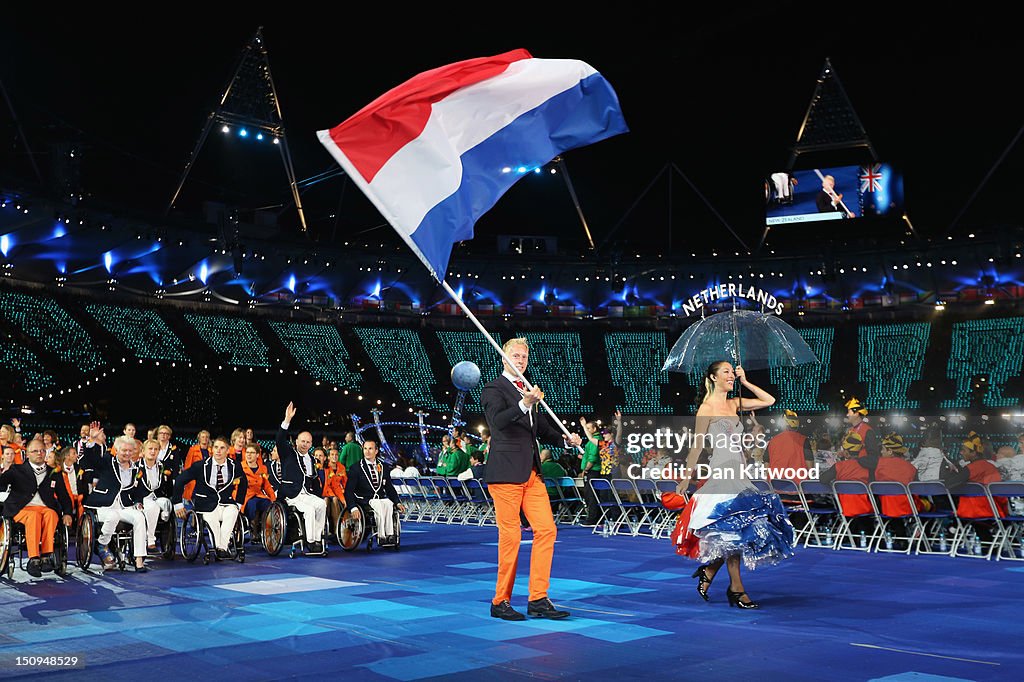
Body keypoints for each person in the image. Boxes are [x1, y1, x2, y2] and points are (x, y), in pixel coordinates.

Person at [671, 361, 793, 609]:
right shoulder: (706, 408)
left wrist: (746, 381)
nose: (731, 375)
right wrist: (686, 476)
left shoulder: (734, 403)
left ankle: (711, 573)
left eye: (731, 371)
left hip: (740, 472)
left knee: (736, 533)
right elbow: (696, 446)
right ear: (713, 377)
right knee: (733, 532)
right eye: (726, 371)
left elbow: (768, 400)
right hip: (722, 473)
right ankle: (736, 589)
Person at [481, 337, 583, 621]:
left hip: (531, 474)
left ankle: (538, 598)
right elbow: (498, 422)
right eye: (515, 355)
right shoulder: (493, 389)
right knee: (511, 536)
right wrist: (524, 404)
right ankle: (500, 601)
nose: (521, 360)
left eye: (524, 356)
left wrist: (564, 439)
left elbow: (541, 429)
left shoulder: (528, 389)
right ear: (504, 357)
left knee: (547, 531)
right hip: (505, 475)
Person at [0, 439, 74, 577]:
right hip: (22, 508)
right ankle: (33, 559)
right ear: (27, 454)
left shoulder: (54, 473)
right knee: (34, 516)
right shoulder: (17, 470)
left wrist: (68, 513)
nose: (39, 453)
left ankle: (46, 556)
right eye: (35, 451)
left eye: (42, 451)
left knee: (52, 514)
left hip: (45, 508)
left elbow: (64, 497)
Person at [172, 436, 247, 559]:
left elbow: (244, 483)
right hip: (206, 504)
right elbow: (180, 480)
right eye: (216, 447)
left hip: (226, 502)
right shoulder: (200, 466)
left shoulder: (235, 466)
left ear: (228, 450)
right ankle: (221, 548)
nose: (218, 450)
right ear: (212, 449)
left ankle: (221, 547)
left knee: (233, 512)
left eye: (222, 448)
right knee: (211, 518)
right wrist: (178, 504)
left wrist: (238, 503)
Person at [89, 436, 149, 571]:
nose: (127, 453)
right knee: (113, 515)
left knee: (140, 516)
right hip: (104, 505)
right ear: (117, 450)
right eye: (124, 450)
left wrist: (138, 502)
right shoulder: (108, 462)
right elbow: (92, 461)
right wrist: (93, 442)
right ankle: (101, 544)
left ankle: (139, 559)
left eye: (130, 450)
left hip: (124, 505)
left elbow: (137, 491)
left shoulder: (136, 469)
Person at [276, 402, 328, 555]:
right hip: (291, 495)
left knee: (321, 504)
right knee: (310, 510)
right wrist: (287, 420)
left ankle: (318, 538)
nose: (304, 444)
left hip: (306, 494)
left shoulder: (312, 460)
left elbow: (314, 480)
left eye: (307, 442)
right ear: (297, 441)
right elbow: (279, 439)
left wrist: (320, 496)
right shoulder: (288, 454)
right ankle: (310, 542)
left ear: (311, 444)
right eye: (302, 441)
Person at [345, 439, 404, 542]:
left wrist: (397, 502)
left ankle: (390, 534)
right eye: (365, 449)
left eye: (370, 449)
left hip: (379, 498)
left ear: (376, 451)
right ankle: (381, 536)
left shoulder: (384, 467)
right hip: (364, 500)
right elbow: (349, 490)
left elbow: (389, 488)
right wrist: (353, 507)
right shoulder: (355, 468)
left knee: (388, 503)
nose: (367, 451)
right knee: (379, 504)